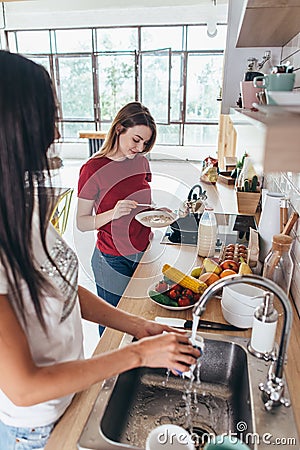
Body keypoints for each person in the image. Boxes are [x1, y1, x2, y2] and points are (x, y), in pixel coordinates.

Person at [0, 50, 200, 450]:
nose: (55, 135)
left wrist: (137, 327)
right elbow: (22, 388)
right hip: (35, 427)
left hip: (71, 392)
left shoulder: (20, 206)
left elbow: (59, 287)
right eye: (46, 120)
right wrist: (139, 355)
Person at [77, 101, 157, 334]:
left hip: (142, 252)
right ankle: (111, 370)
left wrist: (155, 213)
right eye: (136, 139)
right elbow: (82, 222)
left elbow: (142, 203)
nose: (140, 148)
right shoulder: (92, 168)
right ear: (120, 128)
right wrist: (114, 213)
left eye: (145, 143)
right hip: (111, 258)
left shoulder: (141, 161)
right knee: (114, 327)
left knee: (138, 317)